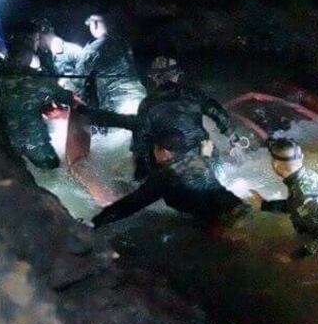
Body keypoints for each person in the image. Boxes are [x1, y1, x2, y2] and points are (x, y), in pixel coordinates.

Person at [79, 56, 231, 180]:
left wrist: (139, 176)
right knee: (208, 148)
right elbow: (218, 113)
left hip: (176, 169)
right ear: (177, 76)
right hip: (208, 162)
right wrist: (233, 136)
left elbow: (140, 143)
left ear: (154, 78)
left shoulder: (148, 104)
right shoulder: (194, 95)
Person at [91, 128, 248, 228]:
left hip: (219, 224)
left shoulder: (165, 176)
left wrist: (96, 221)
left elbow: (129, 205)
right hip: (238, 208)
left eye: (155, 149)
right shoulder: (197, 160)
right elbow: (205, 162)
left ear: (163, 152)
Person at [250, 138, 318, 258]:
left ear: (276, 165)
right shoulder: (307, 175)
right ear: (302, 158)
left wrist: (294, 257)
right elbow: (295, 205)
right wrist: (265, 205)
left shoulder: (302, 195)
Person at [0, 41, 75, 169]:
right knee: (52, 168)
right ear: (27, 60)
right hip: (33, 142)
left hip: (5, 141)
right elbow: (66, 97)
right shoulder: (36, 80)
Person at [71, 13, 146, 114]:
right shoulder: (122, 43)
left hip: (118, 105)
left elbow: (77, 80)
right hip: (141, 101)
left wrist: (62, 89)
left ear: (95, 24)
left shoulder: (94, 48)